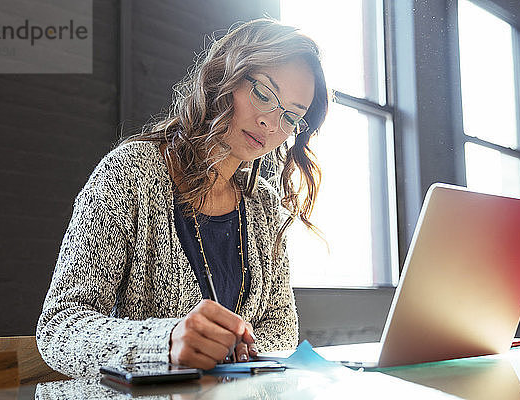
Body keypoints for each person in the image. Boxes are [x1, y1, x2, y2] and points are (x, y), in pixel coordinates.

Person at [36, 18, 328, 377]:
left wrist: (229, 357)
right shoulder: (131, 174)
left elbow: (281, 330)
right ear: (226, 75)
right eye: (264, 94)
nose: (270, 123)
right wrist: (165, 343)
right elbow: (58, 327)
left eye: (290, 116)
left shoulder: (264, 206)